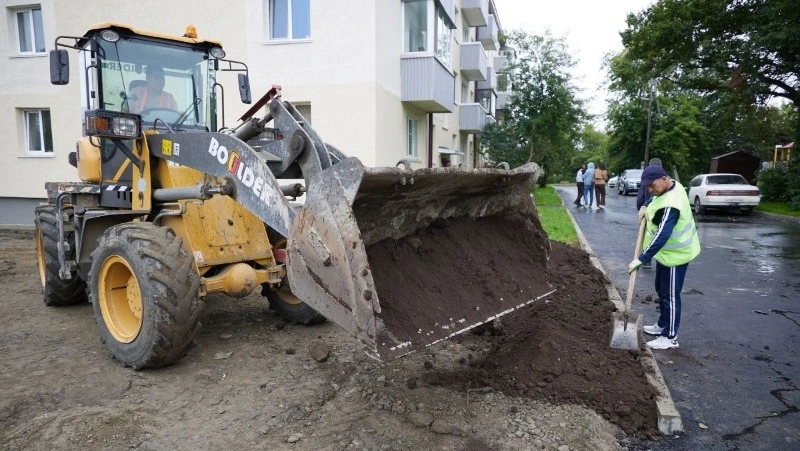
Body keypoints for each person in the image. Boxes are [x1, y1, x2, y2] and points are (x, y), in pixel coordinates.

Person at [628, 165, 701, 350]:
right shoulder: (671, 186)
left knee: (670, 295)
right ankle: (662, 324)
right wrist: (646, 205)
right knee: (661, 289)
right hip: (666, 254)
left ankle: (670, 337)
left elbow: (662, 235)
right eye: (648, 188)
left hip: (676, 256)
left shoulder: (671, 204)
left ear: (663, 178)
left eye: (652, 185)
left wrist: (642, 259)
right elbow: (656, 199)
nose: (650, 190)